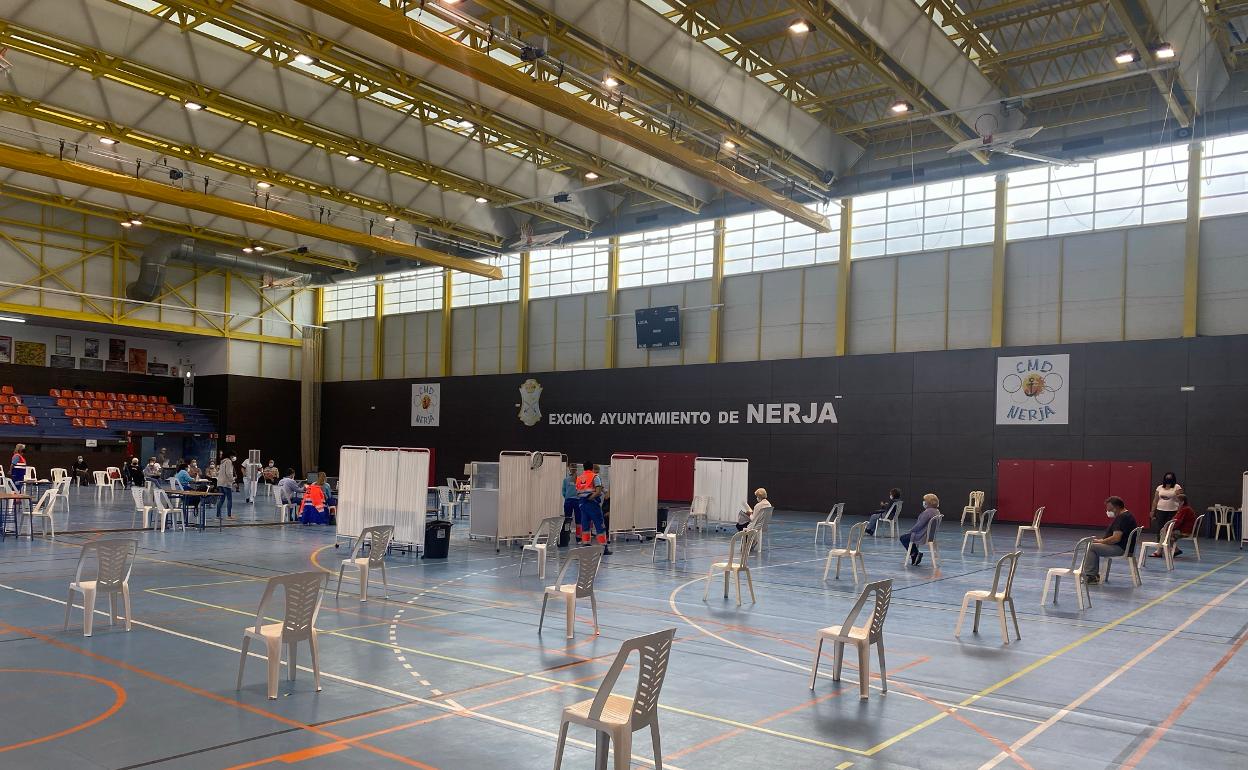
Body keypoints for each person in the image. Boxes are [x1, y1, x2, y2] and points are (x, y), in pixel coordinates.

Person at [1083, 496, 1138, 584]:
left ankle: (1091, 576)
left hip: (1120, 549)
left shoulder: (1121, 518)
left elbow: (1116, 538)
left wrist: (1101, 541)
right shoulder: (1128, 515)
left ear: (1117, 507)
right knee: (1094, 545)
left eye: (1110, 509)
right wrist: (1102, 540)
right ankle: (1093, 574)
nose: (1108, 511)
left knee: (1091, 547)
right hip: (1124, 547)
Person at [575, 461, 610, 555]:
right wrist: (591, 497)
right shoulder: (595, 477)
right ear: (592, 468)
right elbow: (598, 492)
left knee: (585, 525)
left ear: (583, 468)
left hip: (582, 504)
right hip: (592, 504)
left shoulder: (579, 478)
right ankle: (603, 548)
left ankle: (586, 545)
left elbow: (577, 492)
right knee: (600, 525)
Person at [900, 493, 941, 565]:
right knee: (907, 537)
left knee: (903, 538)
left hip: (922, 535)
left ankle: (915, 554)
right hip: (931, 536)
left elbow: (919, 525)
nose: (923, 502)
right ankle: (915, 553)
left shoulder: (927, 512)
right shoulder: (936, 511)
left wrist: (911, 530)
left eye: (924, 501)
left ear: (928, 502)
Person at [1151, 493, 1196, 558]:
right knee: (1165, 533)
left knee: (1165, 533)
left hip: (1185, 531)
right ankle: (1174, 550)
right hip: (1184, 529)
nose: (1175, 503)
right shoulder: (1185, 509)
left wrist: (1167, 528)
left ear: (1182, 502)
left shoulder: (1185, 510)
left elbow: (1177, 522)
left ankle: (1159, 551)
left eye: (1177, 502)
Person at [215, 453, 236, 519]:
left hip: (220, 483)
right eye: (233, 456)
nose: (234, 457)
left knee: (221, 499)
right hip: (226, 483)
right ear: (230, 456)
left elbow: (219, 472)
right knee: (229, 499)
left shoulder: (222, 462)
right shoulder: (229, 461)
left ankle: (218, 515)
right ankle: (229, 515)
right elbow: (229, 473)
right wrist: (233, 481)